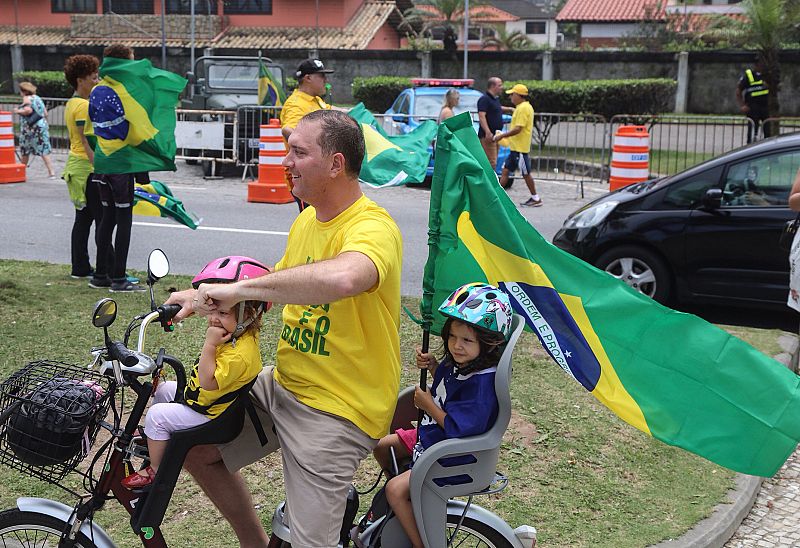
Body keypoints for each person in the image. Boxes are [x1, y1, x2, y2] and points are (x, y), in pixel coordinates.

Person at [165, 109, 402, 547]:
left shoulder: (373, 227)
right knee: (194, 447)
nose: (285, 162)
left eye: (298, 152)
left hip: (337, 407)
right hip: (284, 385)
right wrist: (200, 300)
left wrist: (240, 288)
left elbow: (344, 278)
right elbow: (277, 290)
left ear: (335, 164)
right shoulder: (307, 220)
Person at [376, 282, 512, 548]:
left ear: (490, 343)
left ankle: (421, 542)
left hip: (453, 455)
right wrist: (435, 365)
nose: (456, 346)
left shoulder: (481, 384)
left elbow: (459, 428)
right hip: (432, 440)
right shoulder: (466, 362)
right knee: (383, 448)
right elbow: (450, 387)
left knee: (394, 490)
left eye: (467, 340)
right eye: (452, 337)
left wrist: (428, 405)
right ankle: (411, 504)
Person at [122, 256, 268, 489]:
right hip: (204, 400)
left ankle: (156, 470)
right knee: (163, 390)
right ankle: (159, 439)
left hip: (210, 413)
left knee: (156, 416)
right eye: (213, 311)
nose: (213, 319)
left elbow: (208, 382)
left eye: (223, 313)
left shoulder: (239, 354)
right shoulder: (242, 333)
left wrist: (209, 346)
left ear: (250, 314)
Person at [88, 43, 145, 293]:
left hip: (102, 161)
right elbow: (134, 127)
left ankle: (101, 275)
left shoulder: (97, 89)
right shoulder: (124, 90)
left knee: (106, 218)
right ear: (124, 64)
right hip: (121, 163)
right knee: (124, 221)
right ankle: (119, 278)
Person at [62, 54, 106, 280]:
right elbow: (87, 140)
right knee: (102, 220)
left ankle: (80, 267)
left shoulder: (72, 103)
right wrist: (99, 168)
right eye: (93, 77)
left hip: (76, 166)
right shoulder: (83, 106)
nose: (96, 81)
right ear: (80, 80)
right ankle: (104, 270)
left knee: (83, 220)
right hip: (86, 168)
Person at [280, 58, 335, 212]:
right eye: (322, 76)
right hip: (303, 175)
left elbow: (332, 111)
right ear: (308, 78)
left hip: (317, 171)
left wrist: (356, 114)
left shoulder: (316, 100)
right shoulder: (296, 103)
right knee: (311, 220)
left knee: (323, 218)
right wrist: (314, 147)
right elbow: (288, 130)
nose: (326, 80)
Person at [494, 84, 541, 206]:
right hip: (515, 148)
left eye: (512, 95)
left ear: (519, 96)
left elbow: (518, 129)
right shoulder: (521, 107)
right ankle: (496, 195)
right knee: (505, 171)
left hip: (520, 149)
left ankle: (535, 198)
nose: (510, 97)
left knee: (526, 174)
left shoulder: (523, 108)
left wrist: (502, 136)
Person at [13, 82, 56, 178]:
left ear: (24, 91)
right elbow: (45, 113)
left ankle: (22, 172)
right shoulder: (37, 98)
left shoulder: (26, 98)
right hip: (41, 126)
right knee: (43, 148)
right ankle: (51, 172)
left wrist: (18, 111)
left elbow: (28, 110)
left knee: (25, 149)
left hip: (30, 128)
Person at [736, 57, 771, 144]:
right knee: (752, 132)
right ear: (756, 64)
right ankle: (750, 149)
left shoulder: (767, 75)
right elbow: (738, 91)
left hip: (765, 107)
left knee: (767, 132)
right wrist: (742, 105)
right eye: (760, 63)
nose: (762, 65)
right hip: (752, 107)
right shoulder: (748, 75)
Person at [477, 77, 508, 171]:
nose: (501, 87)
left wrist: (509, 109)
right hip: (488, 136)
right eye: (499, 85)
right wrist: (487, 132)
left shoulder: (494, 99)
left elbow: (497, 108)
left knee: (493, 160)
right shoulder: (484, 99)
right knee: (491, 162)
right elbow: (482, 116)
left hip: (496, 135)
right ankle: (488, 184)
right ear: (493, 86)